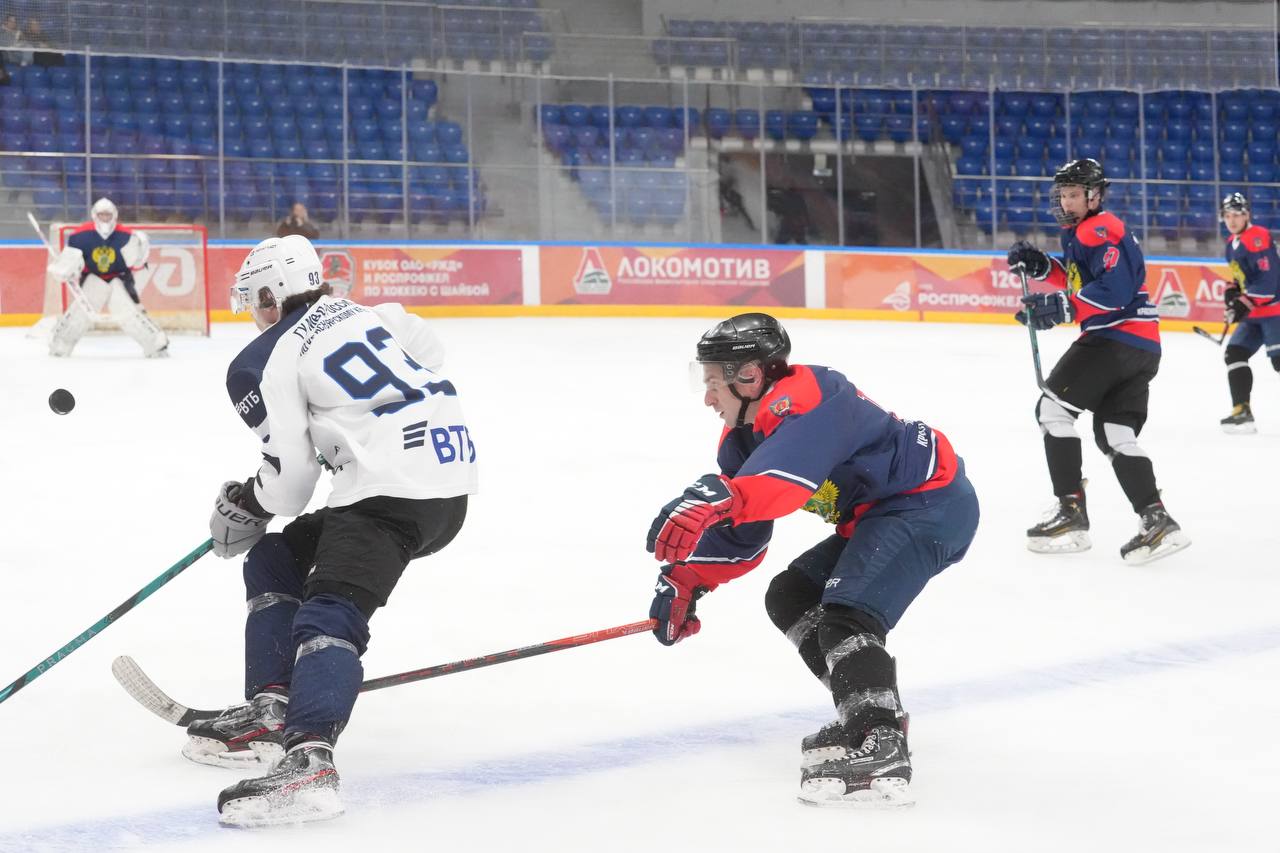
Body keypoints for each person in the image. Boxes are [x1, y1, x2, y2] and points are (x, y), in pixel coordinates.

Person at [643, 312, 979, 807]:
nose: (708, 397)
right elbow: (745, 536)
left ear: (752, 376)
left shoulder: (814, 395)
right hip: (881, 516)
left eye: (713, 382)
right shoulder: (742, 439)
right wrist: (688, 579)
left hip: (928, 504)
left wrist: (725, 497)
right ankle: (867, 712)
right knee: (792, 594)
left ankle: (881, 742)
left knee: (845, 616)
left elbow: (782, 484)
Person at [197, 234, 477, 826]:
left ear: (271, 295)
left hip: (388, 493)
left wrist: (250, 500)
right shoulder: (377, 314)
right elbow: (430, 349)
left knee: (328, 614)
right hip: (450, 486)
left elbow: (292, 484)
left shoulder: (261, 361)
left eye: (255, 302)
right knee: (275, 559)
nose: (255, 316)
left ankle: (309, 761)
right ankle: (273, 708)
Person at [1007, 158, 1189, 563]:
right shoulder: (1083, 233)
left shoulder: (1098, 228)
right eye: (1064, 195)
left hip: (1113, 338)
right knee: (1115, 432)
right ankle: (1156, 519)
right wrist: (1042, 267)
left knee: (1053, 410)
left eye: (1074, 194)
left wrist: (1065, 308)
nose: (1067, 202)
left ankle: (1071, 511)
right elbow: (1081, 280)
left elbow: (1116, 289)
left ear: (1094, 195)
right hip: (1141, 347)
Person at [45, 197, 168, 357]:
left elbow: (136, 264)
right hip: (92, 277)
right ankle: (60, 344)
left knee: (129, 313)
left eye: (107, 215)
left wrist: (141, 252)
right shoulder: (79, 236)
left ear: (114, 215)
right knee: (81, 313)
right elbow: (71, 262)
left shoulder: (127, 235)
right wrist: (65, 269)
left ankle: (154, 344)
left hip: (120, 278)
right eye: (101, 215)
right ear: (94, 215)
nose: (104, 218)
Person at [1217, 192, 1280, 433]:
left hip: (1275, 310)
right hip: (1256, 313)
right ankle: (1242, 411)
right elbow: (1240, 276)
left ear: (1247, 215)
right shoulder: (1230, 244)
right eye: (1228, 216)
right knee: (1234, 353)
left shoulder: (1258, 237)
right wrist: (1232, 292)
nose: (1232, 220)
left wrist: (1242, 302)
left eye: (1237, 215)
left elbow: (1269, 281)